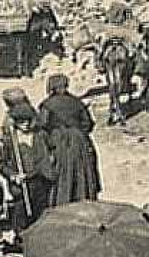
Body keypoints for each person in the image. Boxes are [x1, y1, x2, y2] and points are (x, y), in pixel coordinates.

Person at [38, 72, 102, 206]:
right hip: (80, 141)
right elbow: (88, 123)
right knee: (82, 172)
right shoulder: (77, 102)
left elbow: (42, 125)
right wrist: (78, 133)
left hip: (60, 141)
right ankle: (84, 200)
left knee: (62, 174)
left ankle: (62, 203)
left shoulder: (47, 104)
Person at [0, 89, 53, 231]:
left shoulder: (40, 136)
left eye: (28, 121)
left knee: (42, 216)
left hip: (39, 182)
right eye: (21, 122)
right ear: (15, 122)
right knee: (21, 219)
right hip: (21, 187)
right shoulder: (11, 141)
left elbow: (50, 155)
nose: (25, 125)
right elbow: (2, 165)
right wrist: (13, 176)